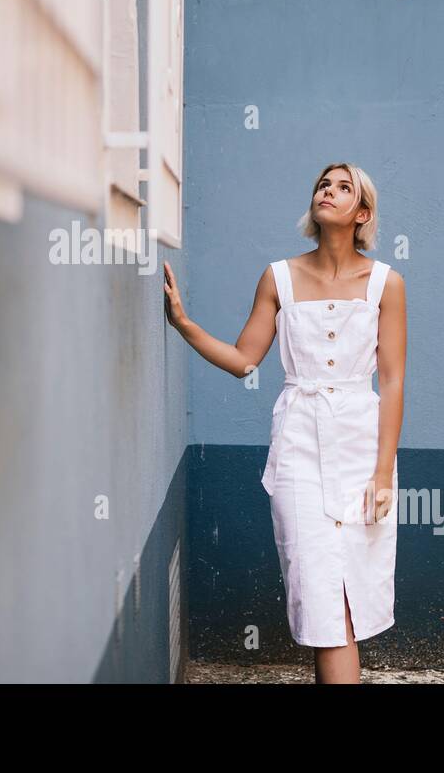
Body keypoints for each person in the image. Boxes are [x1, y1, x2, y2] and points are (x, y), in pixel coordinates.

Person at [163, 162, 407, 684]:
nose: (329, 191)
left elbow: (392, 382)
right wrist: (183, 324)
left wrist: (383, 472)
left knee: (347, 600)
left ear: (362, 213)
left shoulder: (387, 283)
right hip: (299, 450)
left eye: (345, 188)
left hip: (362, 451)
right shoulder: (278, 277)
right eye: (324, 183)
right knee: (319, 594)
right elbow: (244, 359)